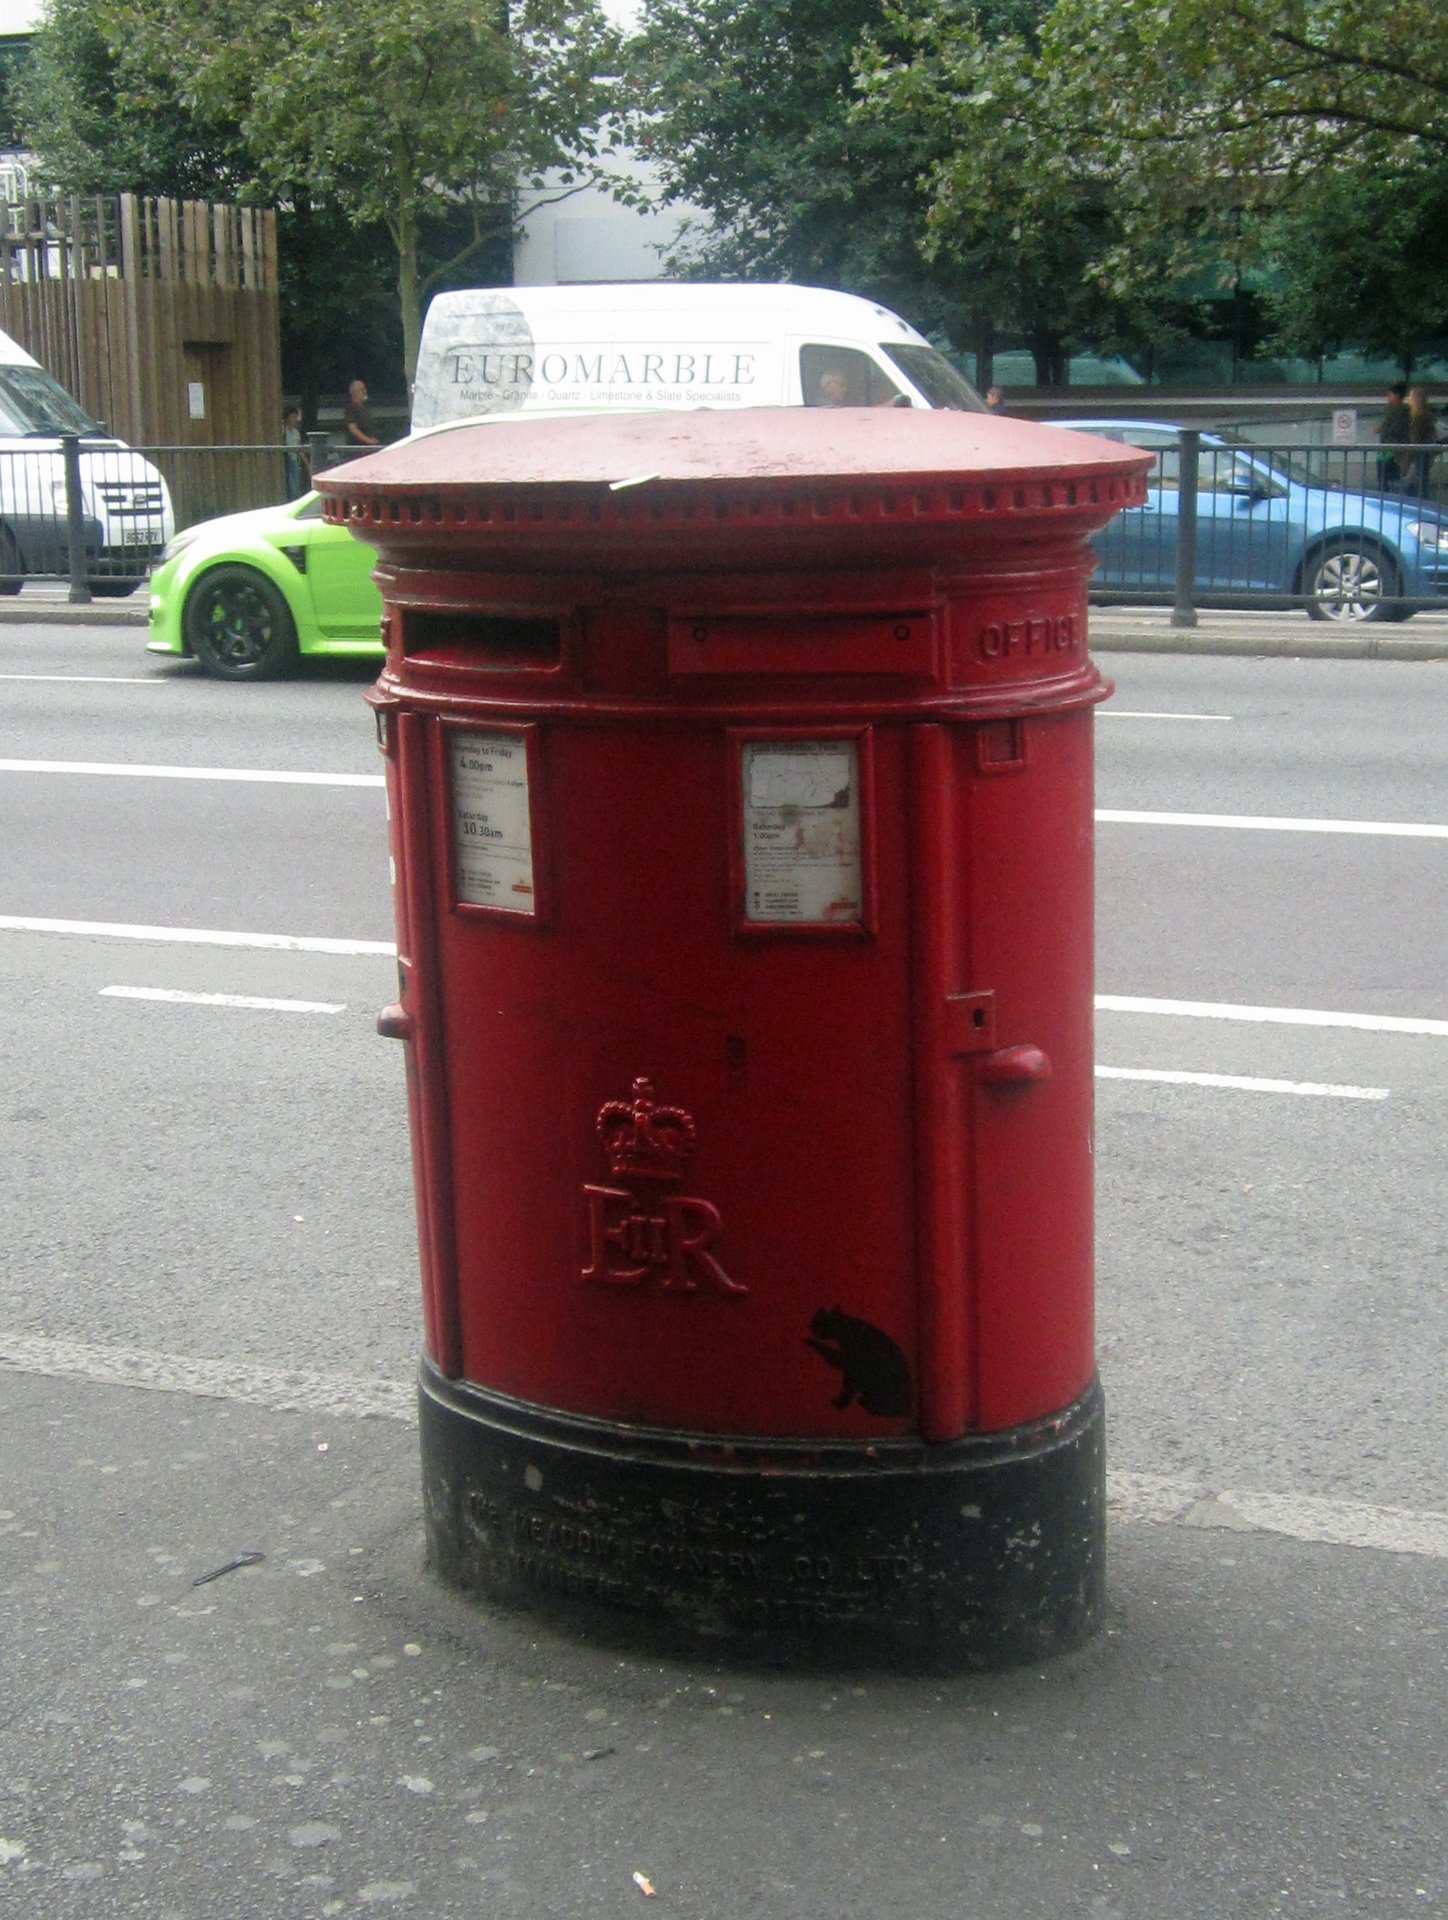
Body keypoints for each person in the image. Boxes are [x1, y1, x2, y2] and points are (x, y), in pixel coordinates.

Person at [1406, 384, 1439, 496]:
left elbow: (1416, 437)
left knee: (1413, 484)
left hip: (1420, 454)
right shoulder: (1424, 415)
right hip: (1424, 454)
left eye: (1410, 396)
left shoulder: (1420, 416)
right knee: (1419, 482)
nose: (1408, 399)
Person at [1375, 381, 1410, 488]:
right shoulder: (1393, 410)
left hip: (1393, 449)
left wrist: (1381, 429)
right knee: (1385, 475)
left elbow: (1394, 428)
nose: (1388, 398)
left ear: (1397, 396)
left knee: (1388, 476)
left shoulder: (1400, 411)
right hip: (1387, 448)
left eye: (1390, 395)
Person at [344, 378, 380, 448]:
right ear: (355, 393)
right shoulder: (351, 408)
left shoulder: (364, 408)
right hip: (357, 449)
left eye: (365, 389)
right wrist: (368, 440)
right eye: (362, 390)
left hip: (368, 448)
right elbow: (353, 428)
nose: (365, 392)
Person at [282, 403, 307, 499]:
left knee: (295, 487)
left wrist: (308, 465)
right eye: (293, 416)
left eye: (296, 417)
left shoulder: (296, 433)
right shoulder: (283, 430)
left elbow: (300, 449)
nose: (295, 419)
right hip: (286, 460)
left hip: (294, 461)